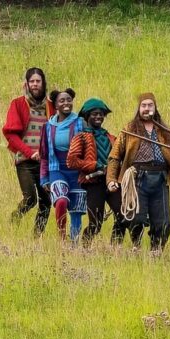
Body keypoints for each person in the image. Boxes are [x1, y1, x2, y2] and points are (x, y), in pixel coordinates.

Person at [106, 93, 170, 252]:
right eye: (144, 105)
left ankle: (156, 251)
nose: (147, 108)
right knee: (136, 218)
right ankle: (136, 247)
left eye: (150, 105)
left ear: (155, 107)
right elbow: (114, 156)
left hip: (160, 178)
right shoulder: (129, 129)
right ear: (139, 108)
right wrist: (111, 179)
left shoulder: (165, 130)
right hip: (137, 177)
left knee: (164, 222)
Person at [66, 97, 126, 246]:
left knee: (123, 216)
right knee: (96, 222)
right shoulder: (81, 137)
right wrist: (96, 165)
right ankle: (85, 248)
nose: (98, 116)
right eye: (94, 114)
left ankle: (115, 248)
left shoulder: (111, 137)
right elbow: (71, 161)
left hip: (112, 182)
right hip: (93, 183)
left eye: (101, 114)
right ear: (87, 116)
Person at [2, 67, 54, 237]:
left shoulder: (50, 106)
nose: (35, 84)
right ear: (26, 84)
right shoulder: (18, 104)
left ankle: (36, 237)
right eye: (32, 81)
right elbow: (11, 134)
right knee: (30, 198)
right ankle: (13, 221)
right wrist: (29, 152)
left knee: (46, 201)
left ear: (43, 83)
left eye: (38, 81)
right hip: (25, 161)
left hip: (45, 162)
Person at [40, 88, 86, 242]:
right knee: (61, 201)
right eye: (62, 100)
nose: (66, 103)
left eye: (69, 100)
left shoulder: (80, 122)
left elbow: (90, 147)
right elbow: (44, 155)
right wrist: (44, 178)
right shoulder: (48, 126)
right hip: (57, 169)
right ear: (55, 105)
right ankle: (62, 238)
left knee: (76, 210)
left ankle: (74, 243)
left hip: (77, 171)